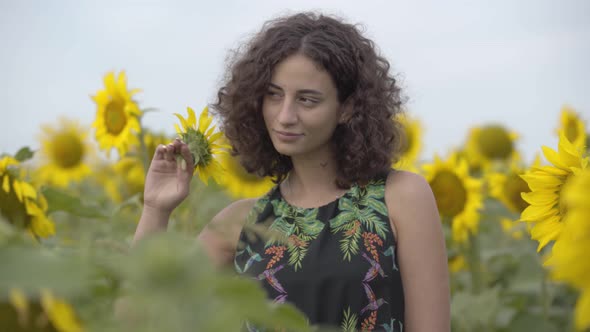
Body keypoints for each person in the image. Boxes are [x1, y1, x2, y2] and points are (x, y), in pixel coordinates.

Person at [133, 12, 450, 331]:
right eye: (273, 95)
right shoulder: (243, 223)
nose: (284, 116)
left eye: (307, 100)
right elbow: (142, 315)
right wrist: (155, 209)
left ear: (348, 107)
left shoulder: (401, 198)